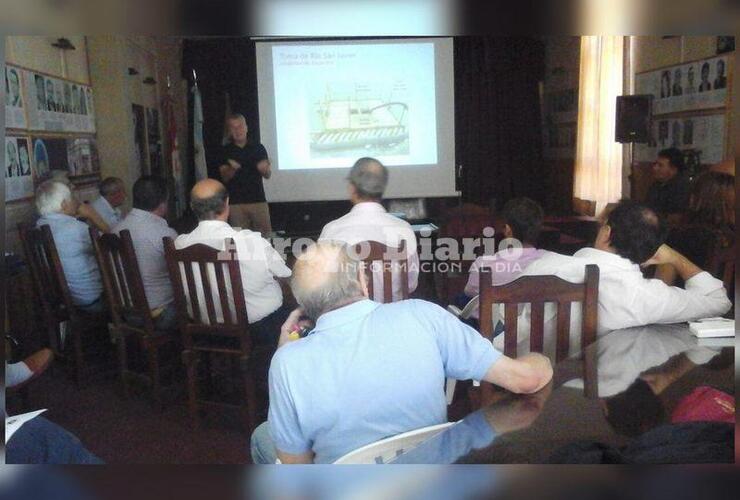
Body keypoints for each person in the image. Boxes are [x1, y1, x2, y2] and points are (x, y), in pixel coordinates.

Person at [250, 242, 553, 464]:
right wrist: (541, 359)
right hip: (429, 483)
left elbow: (296, 467)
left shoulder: (288, 362)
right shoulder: (424, 316)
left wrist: (282, 353)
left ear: (303, 307)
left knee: (263, 436)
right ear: (362, 283)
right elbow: (525, 380)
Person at [500, 200, 732, 356]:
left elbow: (499, 315)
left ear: (607, 232)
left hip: (520, 379)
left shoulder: (544, 265)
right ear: (652, 251)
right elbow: (719, 301)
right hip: (590, 398)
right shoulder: (645, 296)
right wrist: (674, 258)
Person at [175, 179, 291, 346]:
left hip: (202, 328)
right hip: (258, 329)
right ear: (227, 203)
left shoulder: (180, 244)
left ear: (192, 207)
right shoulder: (250, 241)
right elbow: (285, 274)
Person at [318, 157, 419, 302]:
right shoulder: (404, 229)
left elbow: (324, 286)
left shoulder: (332, 230)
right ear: (382, 188)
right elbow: (411, 285)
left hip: (349, 321)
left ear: (352, 188)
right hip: (394, 318)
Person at [462, 197, 554, 320]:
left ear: (508, 230)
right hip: (532, 331)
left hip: (490, 332)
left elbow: (470, 292)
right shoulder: (551, 262)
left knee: (462, 299)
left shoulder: (483, 264)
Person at [112, 176, 178, 330]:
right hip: (159, 315)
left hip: (125, 312)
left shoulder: (115, 230)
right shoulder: (164, 234)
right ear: (163, 203)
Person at [34, 180, 104, 312]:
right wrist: (92, 214)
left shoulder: (39, 225)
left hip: (60, 298)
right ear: (64, 204)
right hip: (88, 298)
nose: (77, 202)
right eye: (72, 198)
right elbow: (112, 247)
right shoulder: (75, 228)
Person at [655, 171, 735, 285]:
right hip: (727, 301)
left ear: (694, 198)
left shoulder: (680, 236)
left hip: (688, 300)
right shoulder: (731, 237)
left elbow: (661, 286)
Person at [219, 113, 272, 235]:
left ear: (246, 127)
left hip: (258, 201)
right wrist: (232, 169)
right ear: (229, 131)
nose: (238, 130)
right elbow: (224, 178)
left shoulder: (258, 148)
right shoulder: (225, 151)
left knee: (265, 240)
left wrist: (263, 169)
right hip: (236, 204)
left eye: (240, 126)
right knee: (240, 242)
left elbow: (268, 175)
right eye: (233, 127)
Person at [644, 148, 691, 219]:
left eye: (660, 165)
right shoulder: (656, 185)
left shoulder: (681, 188)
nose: (655, 168)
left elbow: (677, 216)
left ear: (674, 169)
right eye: (655, 164)